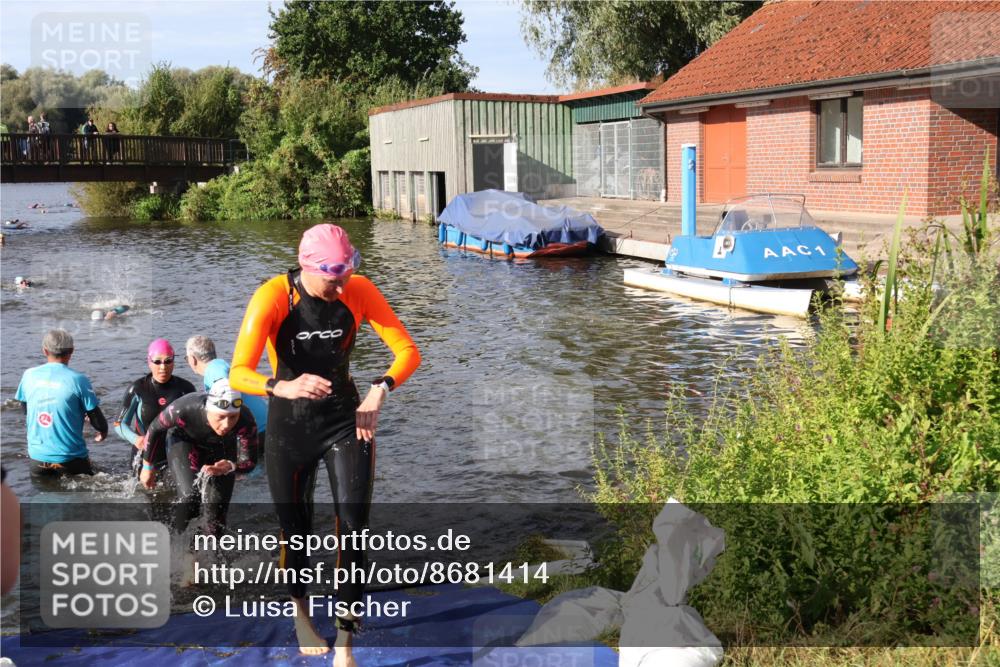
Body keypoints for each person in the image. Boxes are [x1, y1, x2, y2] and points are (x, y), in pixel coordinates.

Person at [231, 223, 420, 662]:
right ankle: (301, 615)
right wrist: (280, 386)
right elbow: (239, 372)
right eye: (331, 279)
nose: (340, 287)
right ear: (306, 266)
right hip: (289, 425)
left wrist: (380, 388)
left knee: (354, 529)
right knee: (295, 532)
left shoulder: (359, 289)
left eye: (346, 275)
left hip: (345, 421)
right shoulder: (274, 296)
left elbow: (408, 351)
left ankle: (345, 644)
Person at [138, 380, 257, 546]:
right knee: (190, 497)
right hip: (184, 441)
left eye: (232, 417)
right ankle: (178, 549)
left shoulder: (245, 419)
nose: (226, 425)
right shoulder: (184, 409)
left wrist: (231, 466)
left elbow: (250, 461)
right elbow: (155, 428)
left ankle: (212, 557)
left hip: (222, 450)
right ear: (209, 410)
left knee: (218, 513)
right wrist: (147, 465)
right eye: (221, 417)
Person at [15, 329, 108, 476]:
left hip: (37, 459)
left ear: (44, 351)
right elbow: (97, 419)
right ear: (71, 351)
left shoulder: (28, 375)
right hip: (71, 460)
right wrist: (102, 430)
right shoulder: (78, 379)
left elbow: (25, 407)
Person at [115, 339, 196, 476]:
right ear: (149, 362)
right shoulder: (138, 389)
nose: (163, 367)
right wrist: (136, 439)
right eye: (157, 362)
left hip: (175, 453)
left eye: (168, 361)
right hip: (144, 454)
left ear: (174, 362)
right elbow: (119, 424)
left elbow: (195, 423)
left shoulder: (185, 388)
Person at [185, 335, 268, 451]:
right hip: (265, 426)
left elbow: (226, 388)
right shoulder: (220, 365)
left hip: (258, 431)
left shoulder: (214, 369)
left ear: (192, 359)